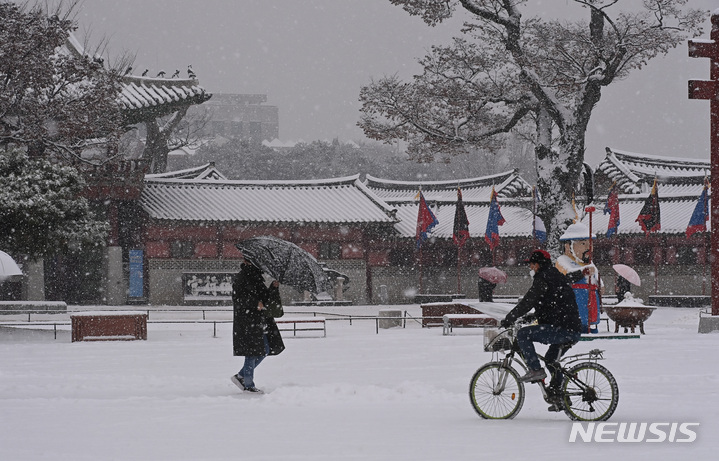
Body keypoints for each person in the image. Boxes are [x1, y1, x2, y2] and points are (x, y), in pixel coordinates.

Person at [500, 249, 582, 410]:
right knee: (551, 360)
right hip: (571, 328)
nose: (530, 267)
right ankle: (559, 397)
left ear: (538, 264)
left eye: (531, 264)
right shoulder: (554, 276)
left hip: (563, 329)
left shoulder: (543, 279)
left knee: (523, 335)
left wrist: (510, 317)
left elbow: (528, 301)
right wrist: (530, 317)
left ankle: (535, 370)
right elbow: (550, 305)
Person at [231, 254, 285, 393]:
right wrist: (255, 303)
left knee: (264, 349)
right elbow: (239, 299)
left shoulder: (256, 277)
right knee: (252, 352)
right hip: (247, 321)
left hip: (259, 320)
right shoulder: (241, 277)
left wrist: (273, 287)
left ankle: (241, 376)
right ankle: (248, 385)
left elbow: (264, 296)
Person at [555, 222, 603, 333]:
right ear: (568, 247)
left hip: (590, 298)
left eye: (590, 244)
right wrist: (582, 273)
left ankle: (589, 326)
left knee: (588, 316)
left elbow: (596, 278)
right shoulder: (563, 261)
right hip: (575, 297)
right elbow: (567, 277)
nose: (588, 248)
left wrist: (600, 285)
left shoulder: (589, 263)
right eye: (583, 244)